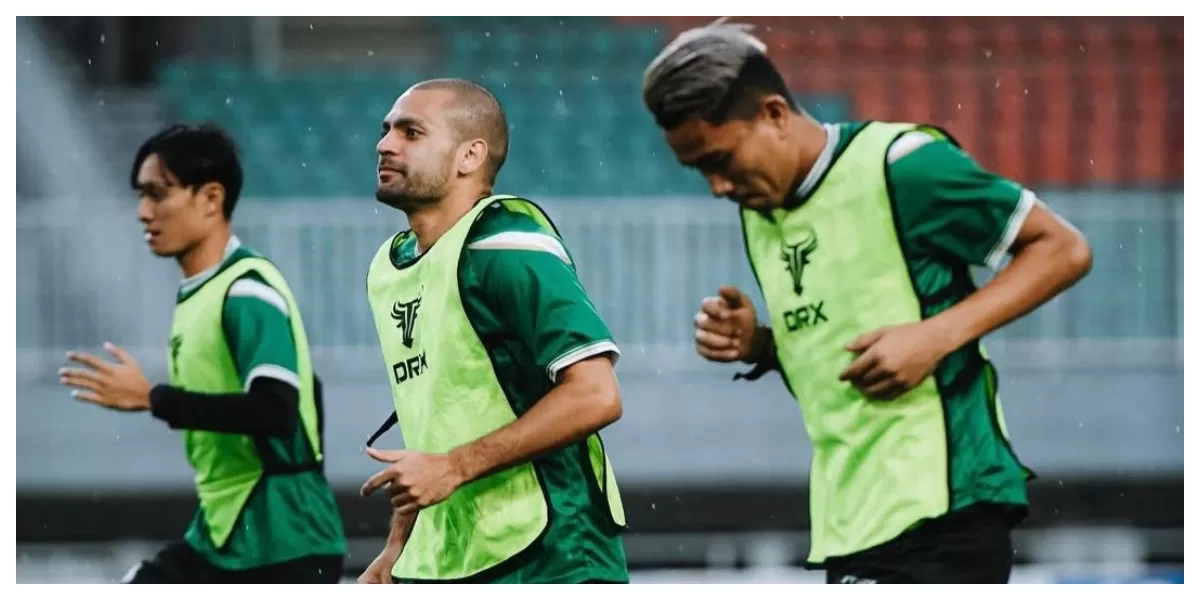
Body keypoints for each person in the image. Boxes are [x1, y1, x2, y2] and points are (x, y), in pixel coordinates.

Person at [641, 21, 1093, 584]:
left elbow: (1063, 248)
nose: (717, 186)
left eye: (722, 160)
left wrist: (936, 336)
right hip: (853, 523)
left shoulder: (903, 166)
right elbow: (839, 343)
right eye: (698, 169)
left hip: (943, 507)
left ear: (775, 114)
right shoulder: (761, 211)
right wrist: (761, 345)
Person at [356, 78, 630, 585]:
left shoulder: (507, 243)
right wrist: (399, 546)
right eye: (386, 130)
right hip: (450, 558)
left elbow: (597, 395)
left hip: (552, 556)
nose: (385, 144)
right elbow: (436, 426)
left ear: (469, 156)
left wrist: (455, 467)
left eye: (411, 132)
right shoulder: (390, 268)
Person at [58, 123, 347, 584]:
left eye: (157, 194)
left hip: (281, 538)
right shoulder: (201, 294)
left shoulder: (247, 290)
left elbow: (277, 410)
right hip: (227, 530)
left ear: (211, 199)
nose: (142, 212)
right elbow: (311, 390)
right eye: (140, 195)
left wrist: (154, 398)